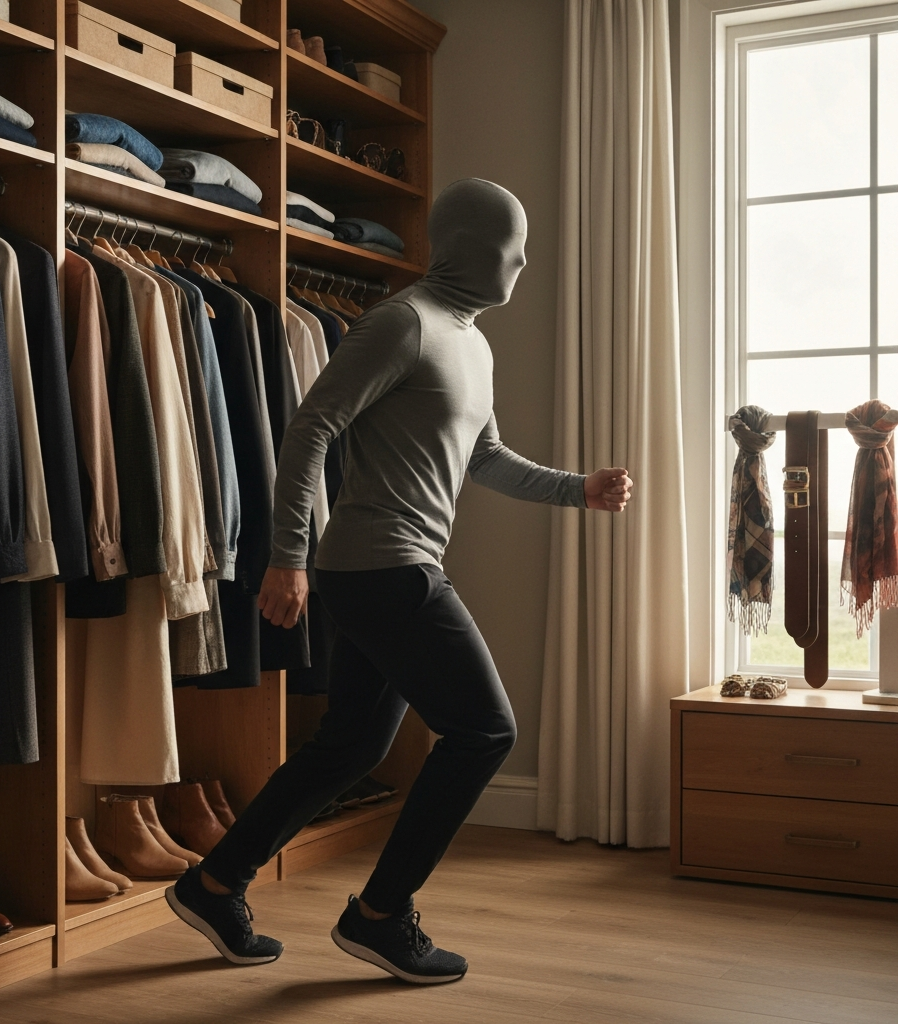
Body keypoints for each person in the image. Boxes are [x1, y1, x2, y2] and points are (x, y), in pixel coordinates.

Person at [166, 178, 632, 984]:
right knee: (485, 730)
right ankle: (380, 914)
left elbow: (485, 457)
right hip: (381, 566)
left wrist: (577, 488)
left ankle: (214, 883)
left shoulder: (473, 342)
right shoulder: (402, 322)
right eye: (514, 244)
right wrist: (287, 556)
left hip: (392, 567)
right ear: (477, 248)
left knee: (349, 747)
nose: (524, 260)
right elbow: (312, 425)